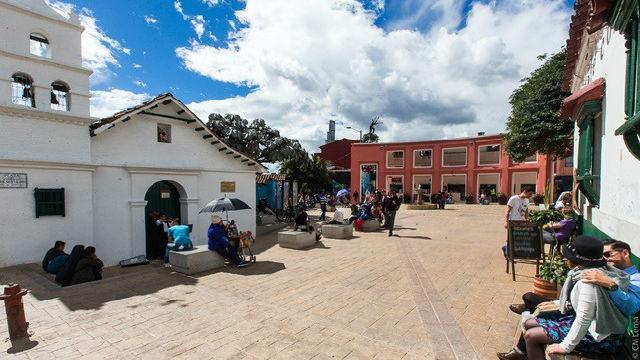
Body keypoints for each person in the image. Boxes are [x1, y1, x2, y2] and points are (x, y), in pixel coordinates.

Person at [498, 236, 629, 360]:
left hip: (601, 337)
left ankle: (526, 353)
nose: (566, 260)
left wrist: (565, 346)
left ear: (577, 261)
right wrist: (556, 303)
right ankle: (523, 353)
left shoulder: (587, 282)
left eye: (568, 257)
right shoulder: (595, 271)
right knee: (529, 323)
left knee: (531, 335)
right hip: (596, 328)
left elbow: (584, 318)